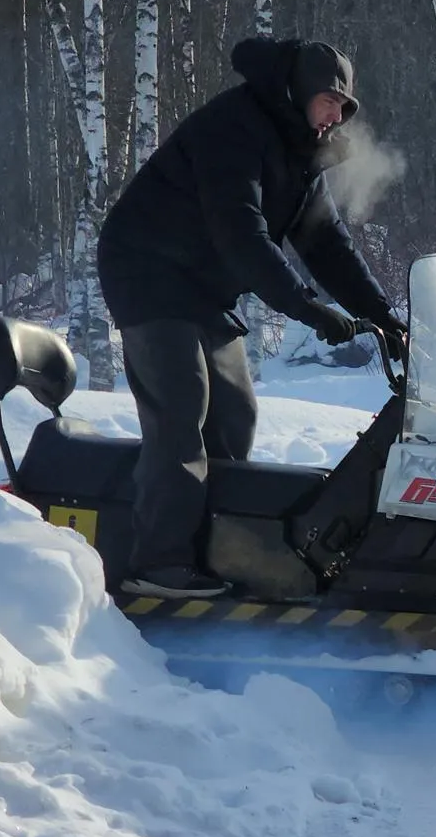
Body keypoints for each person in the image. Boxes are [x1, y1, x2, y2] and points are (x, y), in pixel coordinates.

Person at [96, 36, 409, 600]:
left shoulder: (300, 148)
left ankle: (215, 549)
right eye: (329, 100)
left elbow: (327, 244)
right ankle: (158, 564)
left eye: (345, 107)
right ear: (297, 91)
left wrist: (387, 319)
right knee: (181, 406)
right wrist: (307, 308)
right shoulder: (234, 128)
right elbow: (242, 234)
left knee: (235, 412)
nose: (337, 114)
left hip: (203, 288)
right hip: (146, 271)